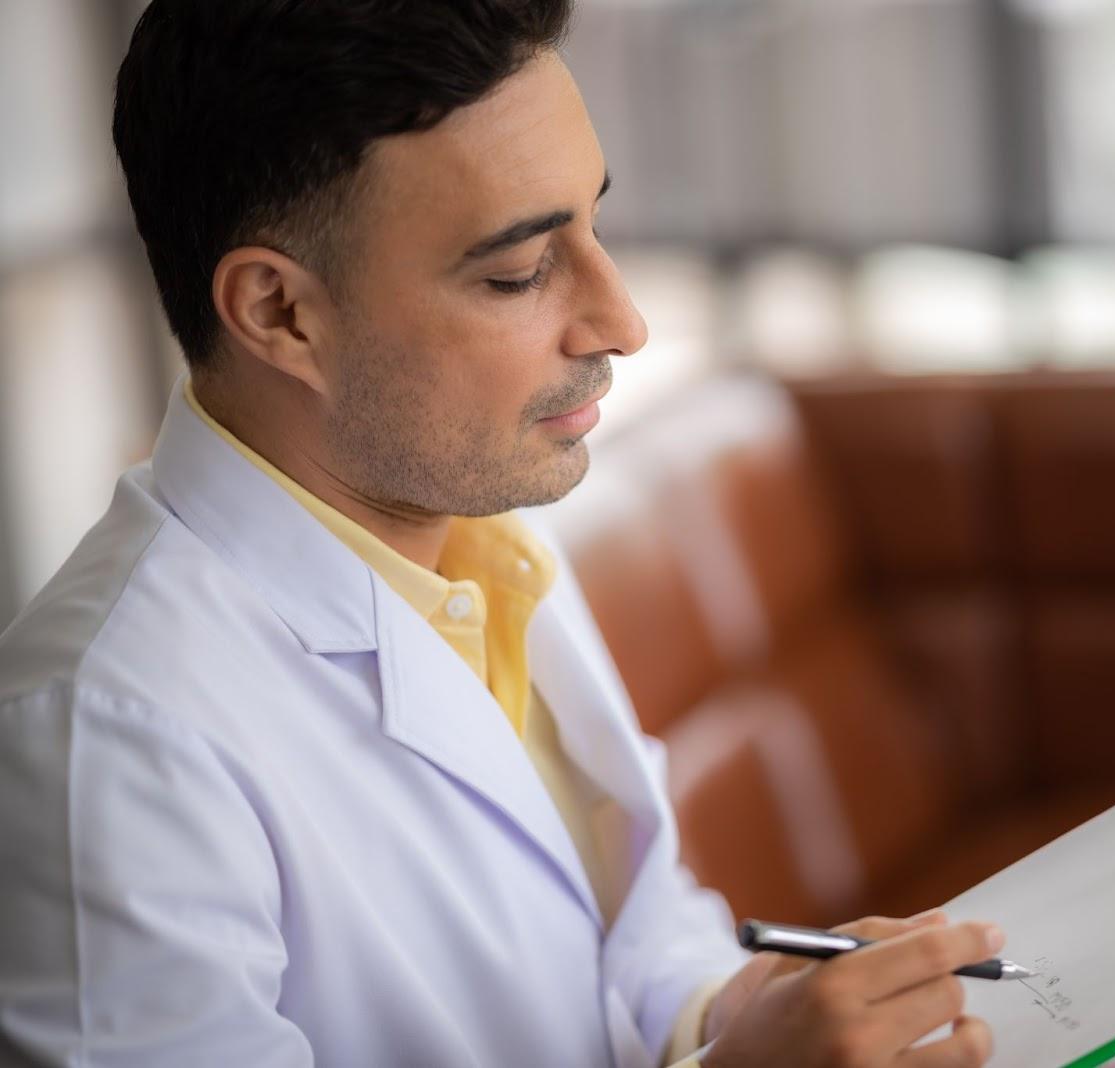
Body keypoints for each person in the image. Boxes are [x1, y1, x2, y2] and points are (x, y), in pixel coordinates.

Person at [0, 2, 1001, 1066]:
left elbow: (637, 941)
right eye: (519, 273)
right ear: (280, 313)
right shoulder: (102, 744)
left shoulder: (483, 540)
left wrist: (751, 1008)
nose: (621, 321)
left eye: (594, 226)